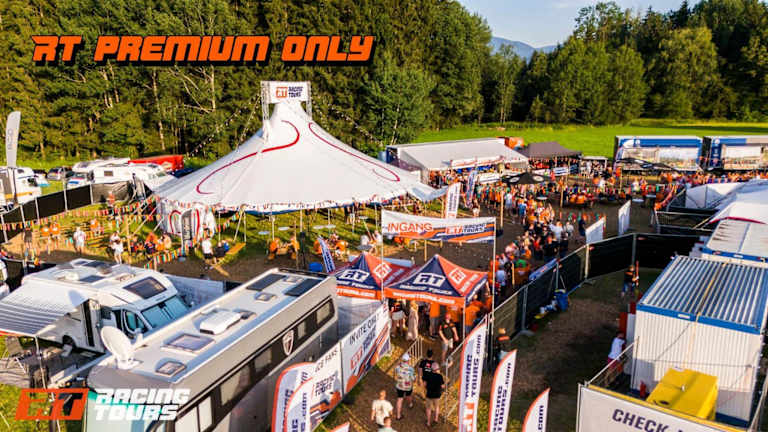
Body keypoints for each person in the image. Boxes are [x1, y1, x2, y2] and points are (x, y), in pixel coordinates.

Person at [393, 353, 415, 420]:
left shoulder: (398, 367)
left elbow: (395, 371)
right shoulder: (410, 369)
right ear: (408, 360)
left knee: (399, 399)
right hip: (408, 387)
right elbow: (413, 378)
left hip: (399, 386)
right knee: (408, 396)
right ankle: (410, 404)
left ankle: (398, 416)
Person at [423, 362, 445, 427]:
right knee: (436, 407)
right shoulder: (440, 376)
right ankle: (436, 419)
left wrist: (427, 387)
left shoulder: (427, 375)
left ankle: (428, 422)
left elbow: (424, 384)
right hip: (437, 395)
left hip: (429, 394)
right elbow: (443, 386)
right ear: (437, 369)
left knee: (428, 408)